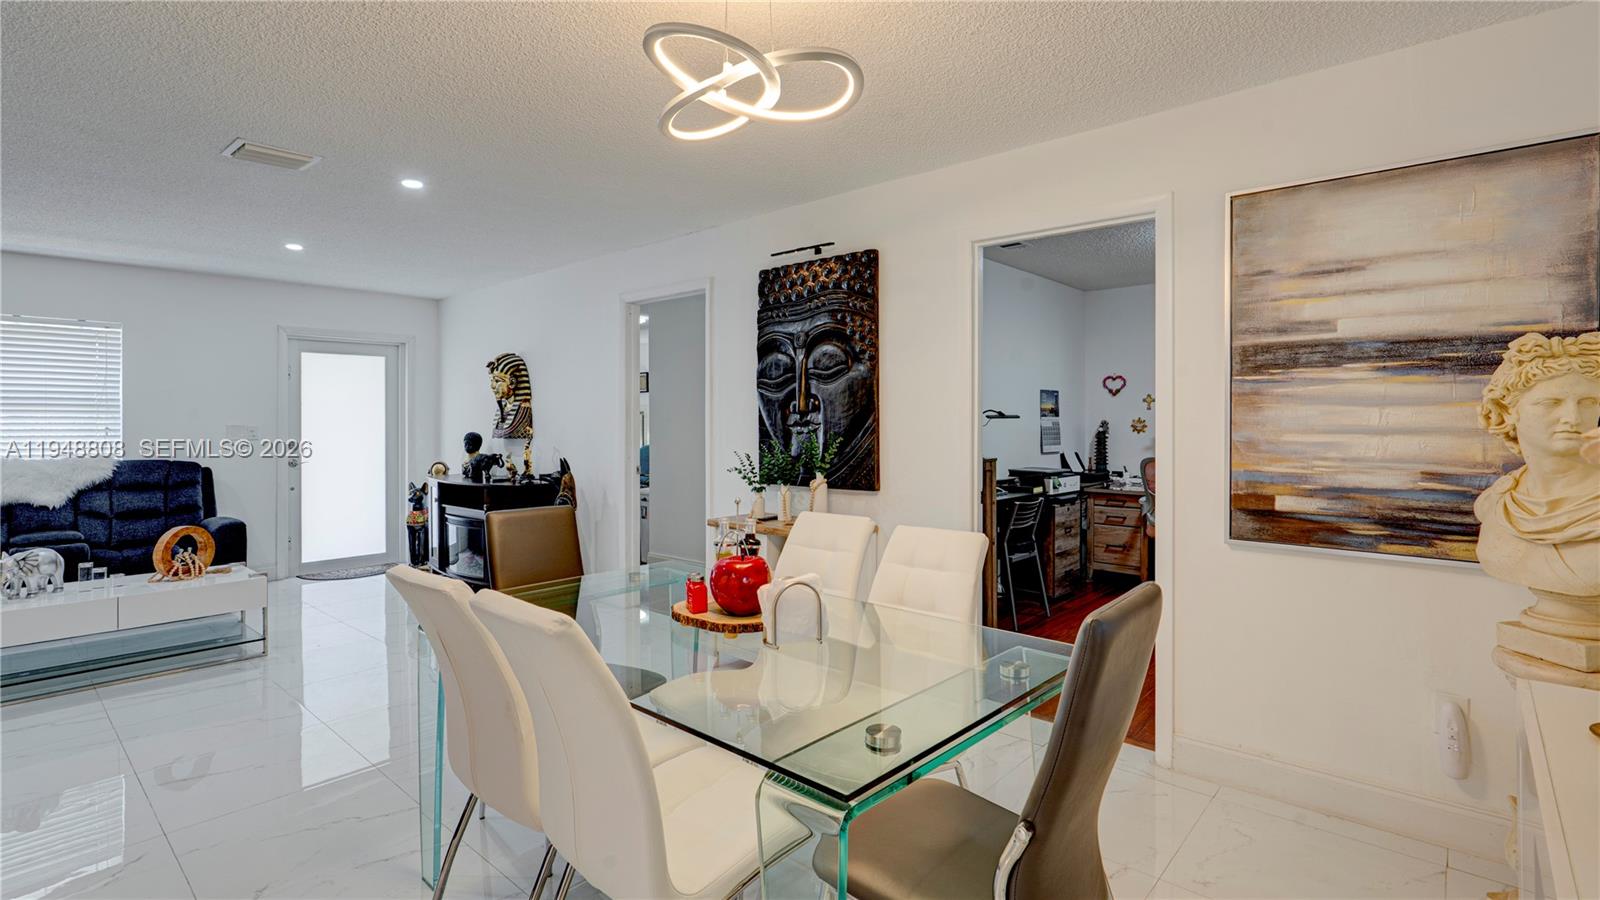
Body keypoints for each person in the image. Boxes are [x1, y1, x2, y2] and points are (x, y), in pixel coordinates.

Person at [1474, 332, 1600, 601]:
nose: (1573, 417)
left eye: (1588, 402)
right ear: (1508, 411)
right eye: (1551, 403)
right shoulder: (1497, 503)